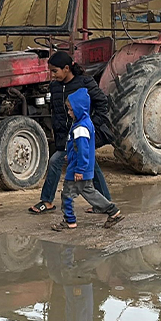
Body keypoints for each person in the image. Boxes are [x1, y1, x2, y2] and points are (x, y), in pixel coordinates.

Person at [28, 51, 111, 215]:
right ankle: (105, 203)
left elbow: (103, 104)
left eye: (54, 71)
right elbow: (56, 112)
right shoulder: (55, 87)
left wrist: (89, 128)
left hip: (81, 136)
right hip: (64, 136)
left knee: (55, 162)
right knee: (91, 166)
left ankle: (47, 201)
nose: (52, 75)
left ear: (66, 68)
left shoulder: (85, 83)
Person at [52, 88, 123, 230]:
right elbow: (78, 148)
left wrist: (79, 169)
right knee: (90, 193)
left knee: (67, 194)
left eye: (71, 110)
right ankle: (113, 211)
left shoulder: (80, 128)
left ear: (79, 109)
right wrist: (71, 156)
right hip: (85, 168)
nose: (69, 113)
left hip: (78, 170)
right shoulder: (86, 122)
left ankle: (69, 221)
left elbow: (82, 150)